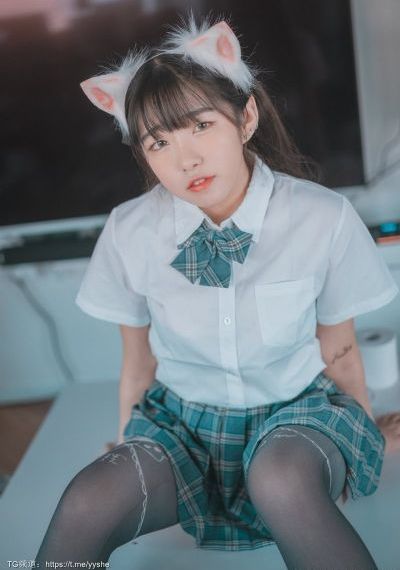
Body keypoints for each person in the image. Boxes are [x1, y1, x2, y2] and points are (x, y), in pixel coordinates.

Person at [35, 12, 400, 568]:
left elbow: (341, 348)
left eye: (201, 125)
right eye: (159, 142)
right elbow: (137, 360)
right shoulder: (131, 230)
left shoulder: (322, 217)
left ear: (245, 117)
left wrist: (362, 444)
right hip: (182, 426)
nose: (186, 159)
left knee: (279, 477)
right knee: (87, 500)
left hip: (296, 418)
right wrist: (128, 442)